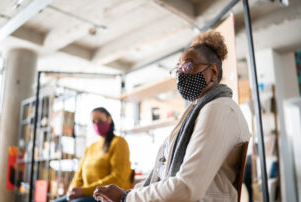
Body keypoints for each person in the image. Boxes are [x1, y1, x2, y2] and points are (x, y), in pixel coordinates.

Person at [93, 31, 251, 202]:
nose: (180, 74)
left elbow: (187, 188)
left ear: (213, 71)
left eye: (187, 66)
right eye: (178, 69)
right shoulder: (194, 112)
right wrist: (128, 194)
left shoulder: (219, 109)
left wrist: (126, 197)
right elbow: (163, 173)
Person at [55, 107, 132, 202]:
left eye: (100, 120)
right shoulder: (91, 147)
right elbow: (78, 176)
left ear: (109, 119)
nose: (97, 124)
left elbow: (117, 178)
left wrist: (84, 190)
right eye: (93, 122)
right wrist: (72, 190)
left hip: (105, 196)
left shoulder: (119, 142)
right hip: (85, 194)